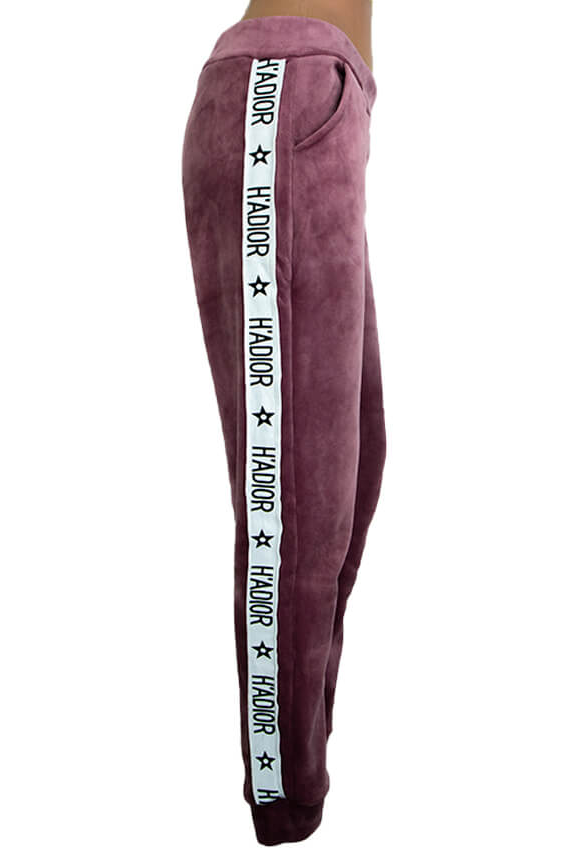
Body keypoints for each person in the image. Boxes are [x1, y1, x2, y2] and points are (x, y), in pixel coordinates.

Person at [181, 1, 386, 845]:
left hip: (318, 103)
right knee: (293, 509)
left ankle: (302, 762)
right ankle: (286, 799)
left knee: (354, 470)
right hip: (283, 92)